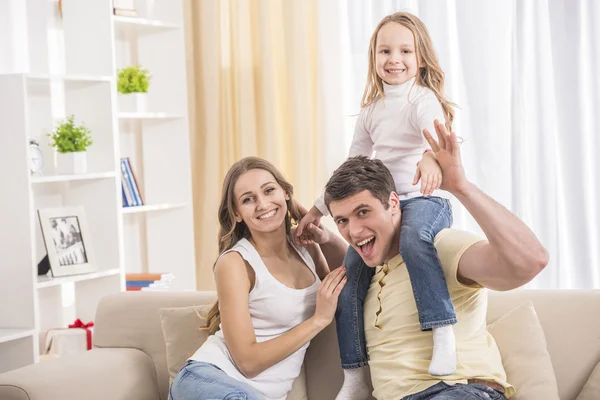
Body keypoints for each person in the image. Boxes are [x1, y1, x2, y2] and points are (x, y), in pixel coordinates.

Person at [295, 12, 460, 396]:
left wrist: (430, 158)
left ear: (420, 59)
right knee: (351, 278)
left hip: (422, 200)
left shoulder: (423, 100)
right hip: (381, 205)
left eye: (405, 50)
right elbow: (351, 167)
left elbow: (445, 140)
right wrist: (317, 209)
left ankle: (442, 330)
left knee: (416, 240)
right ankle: (354, 375)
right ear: (373, 57)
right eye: (385, 50)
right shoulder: (372, 109)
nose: (394, 59)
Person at [322, 120, 548, 399]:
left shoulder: (438, 247)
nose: (354, 231)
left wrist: (462, 187)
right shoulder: (363, 278)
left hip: (457, 390)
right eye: (342, 220)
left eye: (363, 212)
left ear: (393, 203)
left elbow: (530, 261)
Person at [169, 157, 348, 400]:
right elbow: (248, 363)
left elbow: (350, 278)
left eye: (269, 190)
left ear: (286, 193)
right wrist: (318, 321)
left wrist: (324, 236)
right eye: (248, 199)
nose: (262, 204)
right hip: (209, 380)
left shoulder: (306, 249)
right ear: (237, 213)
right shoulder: (235, 263)